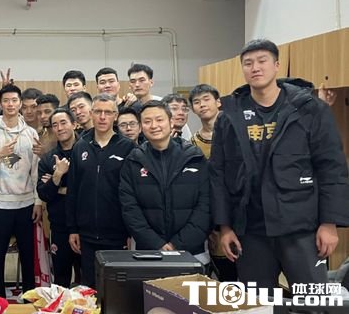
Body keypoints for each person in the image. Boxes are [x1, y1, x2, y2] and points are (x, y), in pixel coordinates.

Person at [210, 39, 349, 289]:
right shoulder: (230, 115)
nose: (255, 68)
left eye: (262, 61)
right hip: (250, 230)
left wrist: (329, 223)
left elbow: (331, 168)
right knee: (257, 302)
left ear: (276, 65)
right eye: (248, 63)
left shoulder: (309, 109)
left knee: (313, 300)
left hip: (301, 227)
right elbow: (219, 173)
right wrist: (225, 226)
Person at [119, 100, 210, 265]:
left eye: (159, 120)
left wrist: (177, 244)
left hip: (192, 252)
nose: (154, 126)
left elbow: (206, 205)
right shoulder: (133, 161)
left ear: (171, 122)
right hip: (147, 252)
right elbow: (130, 208)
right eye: (147, 121)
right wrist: (156, 244)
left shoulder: (194, 157)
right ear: (141, 127)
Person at [0, 84, 42, 298]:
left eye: (14, 100)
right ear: (0, 103)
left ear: (20, 103)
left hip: (26, 204)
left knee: (28, 255)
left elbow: (36, 170)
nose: (10, 104)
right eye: (6, 100)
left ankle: (30, 296)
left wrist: (37, 201)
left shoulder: (30, 133)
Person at [67, 94, 135, 287]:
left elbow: (133, 194)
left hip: (118, 235)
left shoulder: (128, 148)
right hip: (86, 235)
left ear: (115, 115)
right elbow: (73, 191)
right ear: (91, 114)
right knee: (89, 288)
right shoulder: (80, 147)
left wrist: (131, 232)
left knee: (117, 290)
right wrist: (73, 229)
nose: (103, 117)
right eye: (98, 112)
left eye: (108, 112)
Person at [188, 83, 236, 281]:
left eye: (206, 99)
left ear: (218, 102)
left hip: (238, 206)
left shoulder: (236, 133)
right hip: (211, 210)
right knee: (224, 270)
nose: (202, 105)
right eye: (197, 102)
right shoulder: (192, 143)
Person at [37, 108, 81, 287]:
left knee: (86, 280)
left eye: (63, 123)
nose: (60, 128)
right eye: (55, 125)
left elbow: (92, 188)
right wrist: (57, 175)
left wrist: (59, 188)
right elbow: (44, 193)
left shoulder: (88, 152)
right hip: (60, 225)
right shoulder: (48, 158)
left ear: (74, 124)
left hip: (86, 226)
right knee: (61, 279)